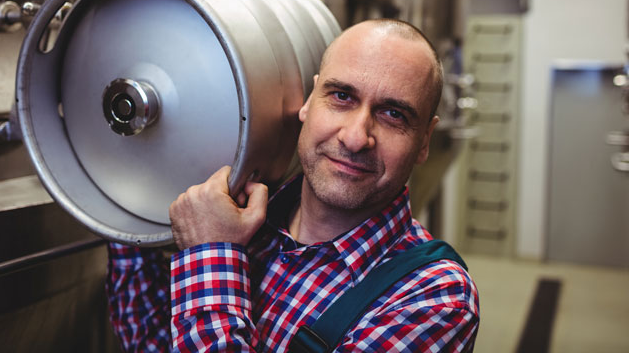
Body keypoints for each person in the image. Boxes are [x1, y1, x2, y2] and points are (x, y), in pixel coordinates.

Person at [107, 19, 480, 352]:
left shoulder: (435, 299)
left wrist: (209, 255)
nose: (354, 137)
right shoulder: (245, 225)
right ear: (309, 101)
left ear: (425, 141)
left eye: (393, 114)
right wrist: (135, 187)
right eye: (342, 96)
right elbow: (150, 339)